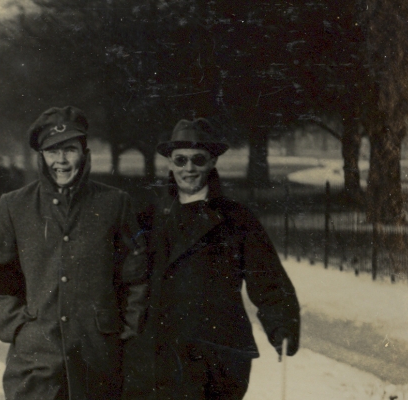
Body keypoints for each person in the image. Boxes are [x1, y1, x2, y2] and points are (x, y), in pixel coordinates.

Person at [0, 106, 149, 400]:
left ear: (85, 152)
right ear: (41, 156)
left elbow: (136, 275)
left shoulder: (115, 203)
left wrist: (124, 330)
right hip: (35, 365)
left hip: (98, 360)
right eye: (53, 151)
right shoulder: (14, 206)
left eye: (70, 149)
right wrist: (18, 328)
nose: (62, 160)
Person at [122, 119, 300, 400]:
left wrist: (282, 326)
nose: (188, 169)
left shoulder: (236, 218)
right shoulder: (148, 216)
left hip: (218, 358)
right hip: (159, 355)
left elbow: (268, 280)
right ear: (169, 162)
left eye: (198, 160)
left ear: (212, 161)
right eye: (180, 160)